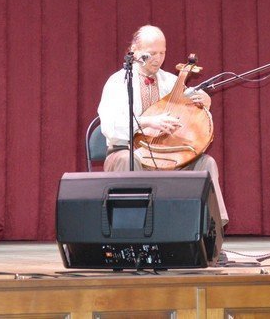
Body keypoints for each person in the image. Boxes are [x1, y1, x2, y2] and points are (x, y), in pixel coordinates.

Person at [97, 24, 229, 226]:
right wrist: (148, 121)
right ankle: (131, 229)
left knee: (206, 163)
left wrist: (205, 103)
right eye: (152, 53)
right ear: (134, 51)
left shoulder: (171, 82)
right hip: (128, 152)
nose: (158, 59)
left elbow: (192, 117)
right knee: (128, 159)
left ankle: (211, 230)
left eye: (162, 53)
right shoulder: (117, 82)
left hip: (167, 158)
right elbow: (110, 126)